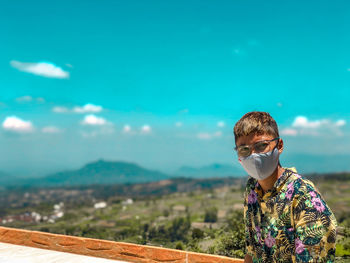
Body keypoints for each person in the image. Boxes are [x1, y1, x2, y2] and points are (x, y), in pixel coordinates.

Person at [233, 111, 337, 263]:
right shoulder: (252, 191)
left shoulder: (304, 197)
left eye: (262, 146)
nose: (253, 155)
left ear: (279, 145)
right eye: (244, 149)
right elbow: (252, 251)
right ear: (238, 155)